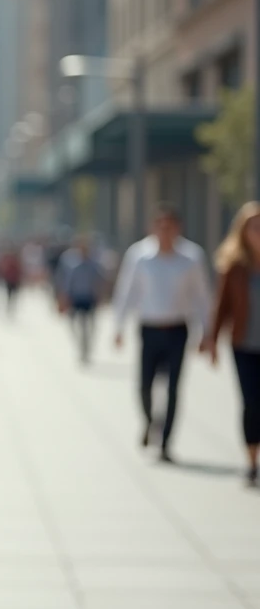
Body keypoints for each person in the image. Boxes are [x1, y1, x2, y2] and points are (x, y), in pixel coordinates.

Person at [112, 204, 212, 463]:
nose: (165, 231)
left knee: (173, 388)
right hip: (149, 328)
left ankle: (166, 442)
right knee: (145, 384)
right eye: (161, 225)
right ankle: (149, 421)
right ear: (153, 227)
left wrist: (206, 331)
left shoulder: (191, 256)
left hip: (178, 329)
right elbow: (127, 289)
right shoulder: (139, 255)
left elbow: (202, 296)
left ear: (178, 228)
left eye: (170, 226)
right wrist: (118, 326)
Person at [203, 202, 260, 487]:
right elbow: (221, 305)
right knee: (251, 403)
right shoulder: (234, 266)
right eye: (254, 226)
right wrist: (211, 340)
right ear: (243, 231)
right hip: (244, 345)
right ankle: (252, 461)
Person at [57, 236, 106, 365]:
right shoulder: (74, 266)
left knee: (90, 327)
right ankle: (81, 347)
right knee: (76, 326)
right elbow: (67, 284)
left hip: (89, 299)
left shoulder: (94, 265)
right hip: (76, 299)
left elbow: (100, 281)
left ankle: (87, 349)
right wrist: (64, 298)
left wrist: (101, 296)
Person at [0, 245, 24, 317]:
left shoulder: (16, 260)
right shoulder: (7, 260)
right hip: (9, 280)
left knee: (13, 296)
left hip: (14, 280)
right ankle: (8, 308)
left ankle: (11, 308)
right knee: (9, 295)